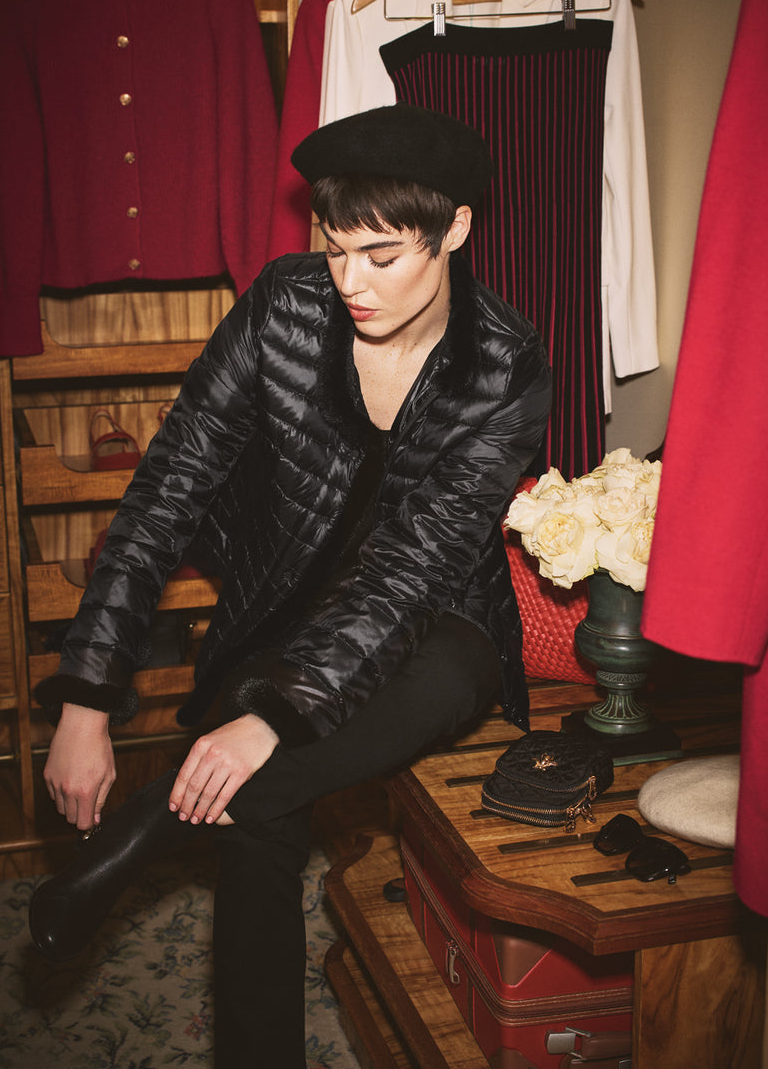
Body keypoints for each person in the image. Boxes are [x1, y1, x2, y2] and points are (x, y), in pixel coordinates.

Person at [30, 103, 552, 1068]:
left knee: (326, 725)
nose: (350, 282)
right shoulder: (284, 304)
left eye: (382, 256)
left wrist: (270, 716)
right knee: (255, 813)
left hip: (440, 619)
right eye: (335, 248)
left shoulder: (506, 366)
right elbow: (167, 489)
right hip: (284, 603)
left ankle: (142, 831)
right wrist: (87, 699)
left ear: (456, 231)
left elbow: (410, 570)